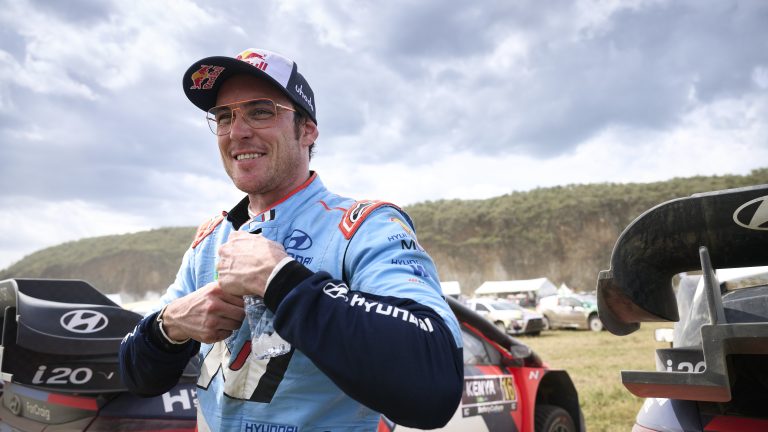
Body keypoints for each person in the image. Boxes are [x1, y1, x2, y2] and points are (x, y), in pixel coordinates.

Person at [119, 48, 464, 431]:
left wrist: (281, 281)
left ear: (308, 130)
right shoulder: (209, 239)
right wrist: (170, 325)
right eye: (224, 116)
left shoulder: (366, 226)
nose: (237, 131)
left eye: (260, 112)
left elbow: (435, 384)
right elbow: (137, 376)